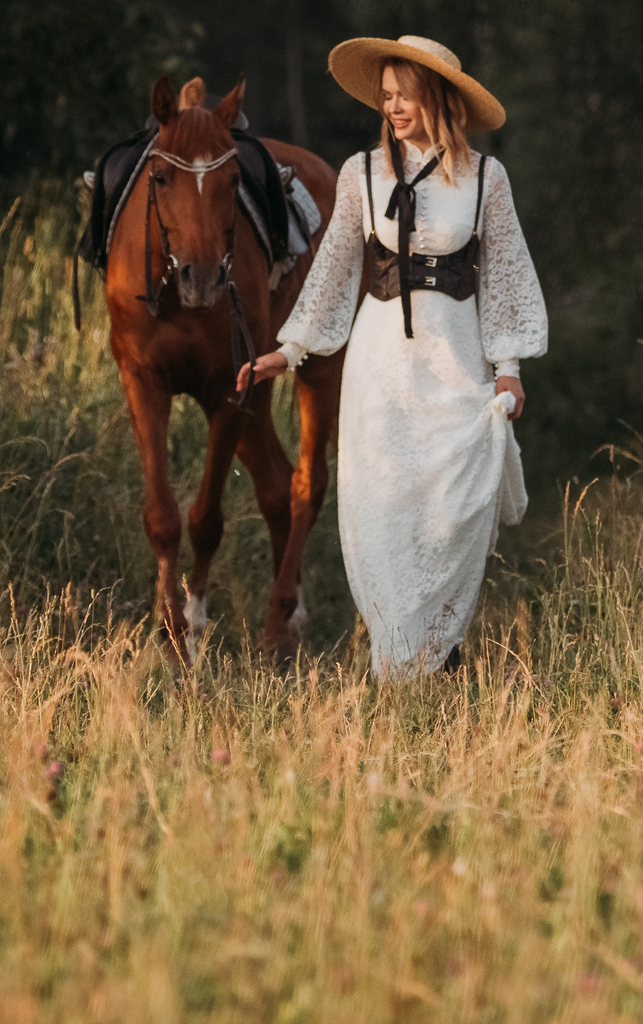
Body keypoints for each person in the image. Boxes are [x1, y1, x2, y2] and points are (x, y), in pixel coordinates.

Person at [235, 34, 550, 680]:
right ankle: (403, 657)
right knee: (384, 503)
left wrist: (510, 365)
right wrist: (288, 349)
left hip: (455, 355)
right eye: (385, 96)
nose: (393, 105)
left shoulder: (486, 177)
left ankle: (440, 641)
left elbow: (505, 274)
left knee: (449, 504)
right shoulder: (361, 173)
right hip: (380, 361)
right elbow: (331, 272)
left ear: (435, 95)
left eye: (404, 93)